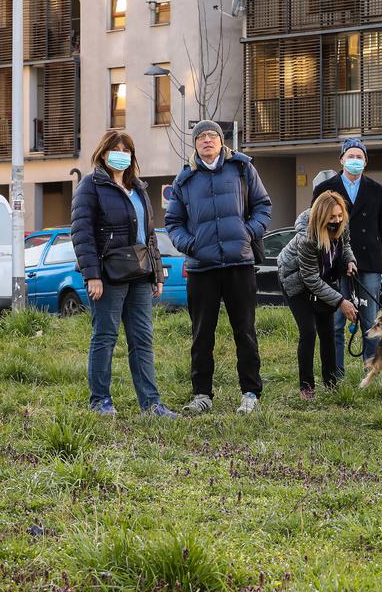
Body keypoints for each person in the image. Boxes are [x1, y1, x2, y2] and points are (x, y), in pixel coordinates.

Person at [166, 120, 272, 416]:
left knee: (245, 331)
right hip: (202, 268)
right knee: (202, 334)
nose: (207, 141)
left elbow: (263, 206)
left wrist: (248, 233)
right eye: (201, 137)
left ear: (222, 141)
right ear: (195, 144)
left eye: (212, 135)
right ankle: (202, 394)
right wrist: (190, 244)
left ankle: (250, 392)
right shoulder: (185, 179)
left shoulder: (241, 168)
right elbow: (173, 222)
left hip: (239, 263)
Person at [70, 130, 177, 418]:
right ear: (103, 154)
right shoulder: (90, 187)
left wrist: (157, 274)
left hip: (140, 275)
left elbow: (150, 235)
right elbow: (82, 234)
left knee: (142, 340)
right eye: (115, 149)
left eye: (126, 149)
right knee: (105, 337)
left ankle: (151, 404)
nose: (121, 154)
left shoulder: (138, 188)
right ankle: (100, 401)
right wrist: (92, 275)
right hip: (108, 276)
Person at [313, 137, 382, 367]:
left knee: (370, 322)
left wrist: (380, 262)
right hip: (335, 263)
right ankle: (335, 373)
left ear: (365, 162)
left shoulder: (377, 190)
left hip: (369, 262)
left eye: (360, 157)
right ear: (341, 159)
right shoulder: (324, 190)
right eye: (351, 156)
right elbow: (315, 227)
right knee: (336, 321)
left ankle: (371, 371)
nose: (355, 161)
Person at [278, 190, 360, 399]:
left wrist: (349, 261)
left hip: (321, 279)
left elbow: (346, 245)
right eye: (332, 217)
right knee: (308, 331)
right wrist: (341, 301)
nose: (337, 221)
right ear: (321, 216)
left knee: (328, 331)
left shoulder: (342, 226)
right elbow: (310, 280)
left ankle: (331, 382)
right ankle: (306, 386)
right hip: (295, 280)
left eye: (340, 216)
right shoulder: (306, 239)